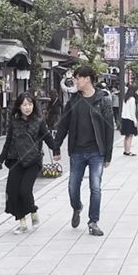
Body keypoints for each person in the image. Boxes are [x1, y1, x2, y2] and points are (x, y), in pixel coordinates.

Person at [53, 65, 115, 236]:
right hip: (77, 152)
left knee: (95, 187)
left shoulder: (103, 100)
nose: (75, 81)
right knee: (73, 186)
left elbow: (109, 129)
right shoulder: (73, 101)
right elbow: (63, 126)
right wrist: (56, 147)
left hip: (96, 151)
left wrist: (108, 154)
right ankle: (77, 207)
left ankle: (93, 221)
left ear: (87, 79)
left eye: (78, 77)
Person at [0, 93, 62, 233]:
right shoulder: (14, 122)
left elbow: (48, 138)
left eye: (30, 104)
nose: (27, 107)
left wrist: (56, 150)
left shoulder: (39, 121)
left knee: (24, 190)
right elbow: (8, 142)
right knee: (13, 192)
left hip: (33, 161)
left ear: (34, 105)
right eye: (24, 105)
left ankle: (33, 210)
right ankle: (22, 223)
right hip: (15, 160)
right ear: (19, 106)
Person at [120, 84, 138, 156]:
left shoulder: (125, 98)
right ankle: (128, 151)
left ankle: (125, 150)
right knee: (130, 136)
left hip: (124, 118)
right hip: (130, 119)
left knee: (126, 136)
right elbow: (132, 111)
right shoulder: (132, 99)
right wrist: (135, 121)